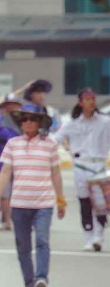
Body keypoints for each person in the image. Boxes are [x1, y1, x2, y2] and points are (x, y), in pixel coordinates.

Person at [0, 107, 66, 287]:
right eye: (24, 119)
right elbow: (5, 172)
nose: (28, 123)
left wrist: (61, 199)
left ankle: (41, 278)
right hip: (19, 203)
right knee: (23, 245)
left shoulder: (50, 144)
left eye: (32, 119)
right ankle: (29, 281)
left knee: (42, 240)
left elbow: (56, 173)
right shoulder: (12, 144)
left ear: (40, 122)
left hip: (44, 203)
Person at [52, 88, 110, 251]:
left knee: (99, 203)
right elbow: (56, 139)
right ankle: (88, 236)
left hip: (98, 165)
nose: (91, 102)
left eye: (93, 98)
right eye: (87, 99)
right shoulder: (72, 124)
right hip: (80, 166)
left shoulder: (105, 122)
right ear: (80, 102)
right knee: (84, 202)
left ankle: (99, 236)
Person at [0, 94, 22, 231]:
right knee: (5, 193)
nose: (11, 107)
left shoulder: (25, 122)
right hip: (3, 161)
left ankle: (18, 219)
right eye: (8, 104)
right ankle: (7, 220)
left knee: (19, 192)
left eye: (14, 104)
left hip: (21, 161)